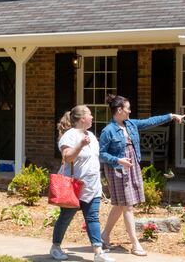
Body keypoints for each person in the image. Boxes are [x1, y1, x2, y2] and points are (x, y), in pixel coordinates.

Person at [98, 94, 185, 256]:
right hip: (117, 170)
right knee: (127, 206)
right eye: (128, 108)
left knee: (120, 205)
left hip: (131, 166)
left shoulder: (130, 124)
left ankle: (104, 236)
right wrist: (118, 160)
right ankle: (135, 243)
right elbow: (102, 154)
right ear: (119, 110)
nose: (130, 111)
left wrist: (172, 116)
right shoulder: (108, 131)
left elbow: (150, 121)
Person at [50, 105, 114, 262]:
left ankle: (98, 252)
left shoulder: (91, 135)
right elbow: (67, 157)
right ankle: (55, 247)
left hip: (92, 186)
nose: (92, 117)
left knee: (92, 218)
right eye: (90, 114)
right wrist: (80, 145)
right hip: (75, 187)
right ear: (82, 118)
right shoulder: (69, 136)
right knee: (65, 217)